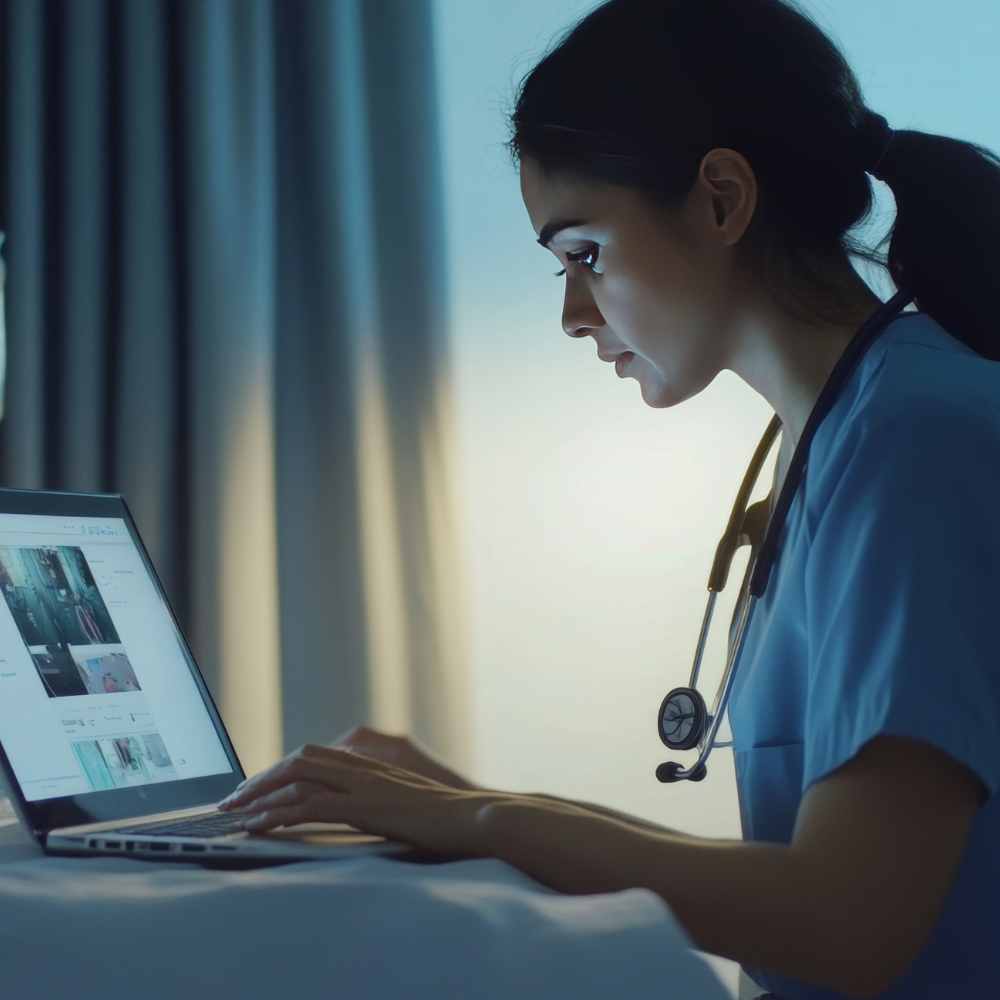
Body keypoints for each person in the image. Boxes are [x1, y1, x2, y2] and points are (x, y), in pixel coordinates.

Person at [219, 2, 1000, 997]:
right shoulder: (846, 430)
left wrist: (482, 822)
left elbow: (846, 921)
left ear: (720, 198)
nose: (570, 314)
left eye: (584, 253)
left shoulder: (915, 440)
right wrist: (463, 801)